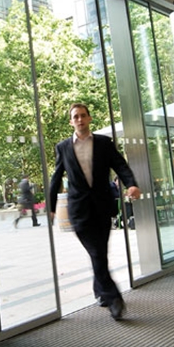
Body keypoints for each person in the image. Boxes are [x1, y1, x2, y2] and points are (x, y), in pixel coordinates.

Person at [49, 103, 141, 321]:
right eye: (75, 117)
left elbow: (120, 165)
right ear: (71, 122)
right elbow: (55, 178)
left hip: (102, 206)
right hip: (79, 210)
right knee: (97, 252)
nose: (80, 120)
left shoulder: (103, 143)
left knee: (99, 252)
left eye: (83, 116)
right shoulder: (63, 147)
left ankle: (100, 291)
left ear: (89, 119)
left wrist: (131, 184)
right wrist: (51, 207)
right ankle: (113, 298)